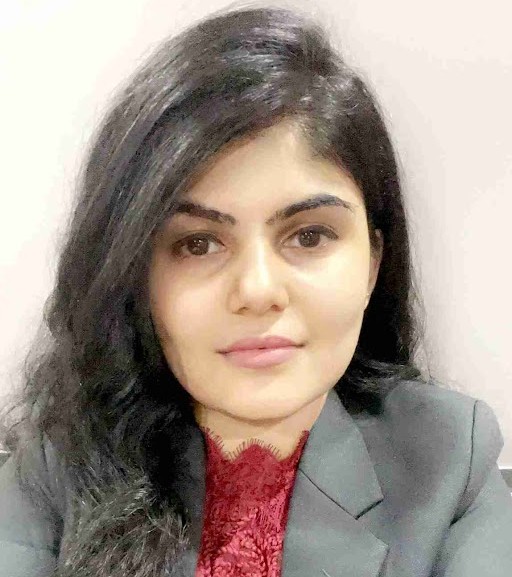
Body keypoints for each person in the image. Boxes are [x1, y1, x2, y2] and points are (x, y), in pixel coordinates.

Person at [1, 3, 511, 577]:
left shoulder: (448, 459)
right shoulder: (60, 462)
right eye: (198, 244)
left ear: (373, 263)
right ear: (133, 275)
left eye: (310, 236)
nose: (258, 290)